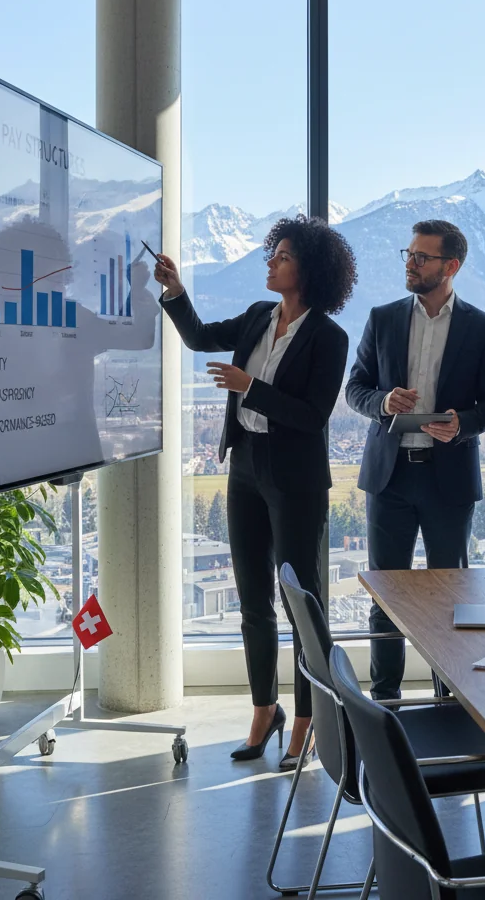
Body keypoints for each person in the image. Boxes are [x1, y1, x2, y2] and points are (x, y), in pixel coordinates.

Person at [154, 216, 357, 768]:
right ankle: (265, 712)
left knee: (302, 606)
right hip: (244, 468)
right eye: (274, 254)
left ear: (309, 270)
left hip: (294, 477)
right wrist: (175, 293)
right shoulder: (254, 319)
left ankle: (311, 720)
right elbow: (197, 337)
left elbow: (312, 416)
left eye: (282, 256)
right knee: (251, 603)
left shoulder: (328, 337)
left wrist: (251, 387)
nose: (271, 262)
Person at [346, 220, 485, 700]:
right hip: (390, 478)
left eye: (422, 257)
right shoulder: (383, 318)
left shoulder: (483, 327)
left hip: (449, 480)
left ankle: (448, 700)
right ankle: (385, 704)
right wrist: (382, 402)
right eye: (409, 254)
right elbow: (355, 388)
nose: (410, 264)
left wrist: (462, 424)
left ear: (450, 266)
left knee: (449, 599)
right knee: (386, 597)